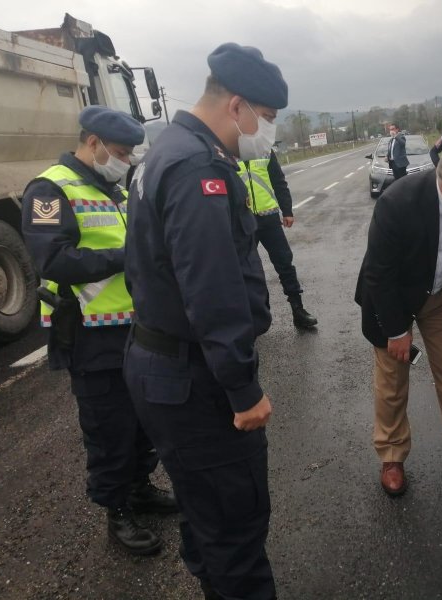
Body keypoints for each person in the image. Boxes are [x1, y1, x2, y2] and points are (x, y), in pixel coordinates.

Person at [123, 43, 287, 600]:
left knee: (204, 510)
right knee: (236, 522)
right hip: (195, 380)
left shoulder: (165, 149)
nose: (267, 132)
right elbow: (212, 291)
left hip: (162, 365)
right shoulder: (198, 167)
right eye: (266, 119)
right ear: (237, 105)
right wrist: (243, 389)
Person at [21, 106, 177, 557]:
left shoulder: (111, 187)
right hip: (90, 334)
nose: (127, 159)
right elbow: (53, 260)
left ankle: (140, 489)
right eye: (121, 151)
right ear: (93, 143)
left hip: (135, 326)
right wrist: (127, 257)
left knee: (143, 421)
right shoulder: (50, 189)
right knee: (109, 429)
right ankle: (117, 513)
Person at [355, 138, 442, 496]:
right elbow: (378, 274)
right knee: (392, 380)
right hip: (394, 299)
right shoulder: (397, 203)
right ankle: (391, 455)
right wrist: (396, 330)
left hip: (439, 295)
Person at [238, 149, 318, 328]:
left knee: (285, 264)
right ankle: (257, 314)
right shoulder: (227, 150)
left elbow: (278, 181)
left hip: (269, 218)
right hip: (243, 221)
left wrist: (287, 210)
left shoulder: (264, 150)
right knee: (249, 270)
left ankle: (298, 310)